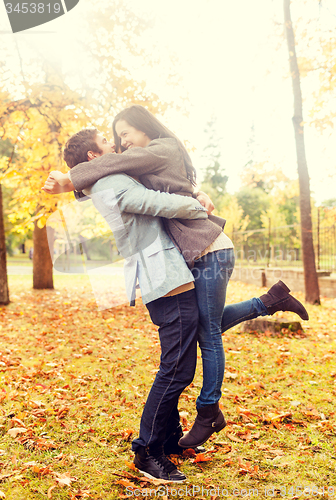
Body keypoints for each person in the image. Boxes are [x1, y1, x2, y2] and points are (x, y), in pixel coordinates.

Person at [44, 110, 309, 449]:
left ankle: (207, 411)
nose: (120, 143)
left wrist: (69, 180)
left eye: (124, 134)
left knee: (205, 332)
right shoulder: (121, 172)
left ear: (142, 127)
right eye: (112, 139)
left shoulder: (159, 147)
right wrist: (195, 197)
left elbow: (127, 178)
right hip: (182, 260)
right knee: (198, 332)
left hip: (206, 249)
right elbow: (125, 187)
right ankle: (269, 302)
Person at [44, 129, 211, 482]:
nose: (115, 148)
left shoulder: (99, 184)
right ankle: (146, 451)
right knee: (177, 369)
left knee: (176, 362)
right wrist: (197, 206)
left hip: (159, 274)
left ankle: (166, 439)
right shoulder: (109, 182)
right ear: (93, 157)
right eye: (107, 143)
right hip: (163, 275)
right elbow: (153, 203)